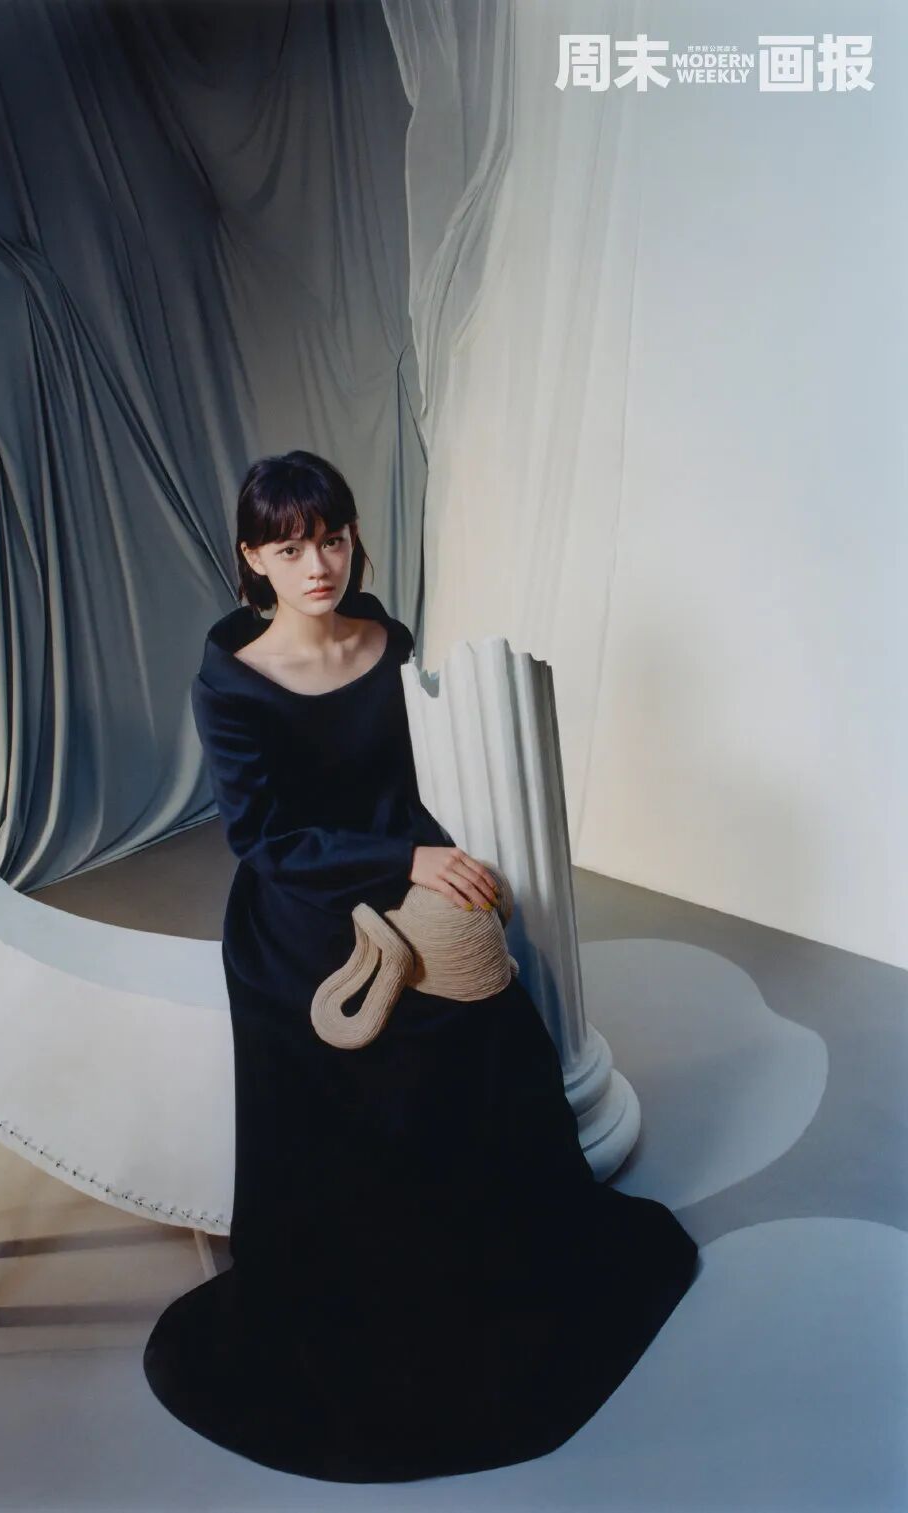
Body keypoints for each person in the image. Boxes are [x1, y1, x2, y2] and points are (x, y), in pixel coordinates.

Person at [142, 450, 700, 1483]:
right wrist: (403, 862)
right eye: (290, 549)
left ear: (354, 537)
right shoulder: (231, 683)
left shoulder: (383, 635)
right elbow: (263, 839)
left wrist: (434, 864)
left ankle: (498, 1255)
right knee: (390, 1038)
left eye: (333, 539)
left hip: (405, 859)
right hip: (304, 897)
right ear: (252, 559)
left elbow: (408, 776)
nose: (319, 565)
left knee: (487, 1001)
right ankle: (395, 1279)